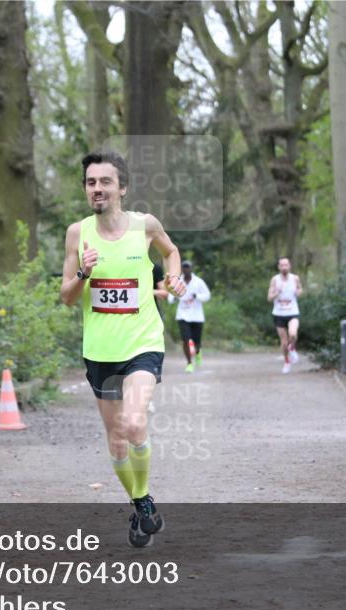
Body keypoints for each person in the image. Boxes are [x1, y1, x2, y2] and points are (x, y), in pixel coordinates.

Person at [60, 150, 187, 548]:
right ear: (86, 190)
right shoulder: (77, 234)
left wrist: (174, 278)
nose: (97, 189)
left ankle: (143, 496)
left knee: (134, 423)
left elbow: (170, 252)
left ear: (123, 188)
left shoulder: (145, 226)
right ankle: (141, 503)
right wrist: (84, 273)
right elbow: (66, 296)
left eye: (105, 182)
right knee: (116, 439)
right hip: (99, 350)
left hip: (143, 343)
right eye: (91, 183)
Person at [167, 260, 211, 372]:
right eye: (184, 267)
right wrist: (175, 297)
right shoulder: (177, 282)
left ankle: (197, 352)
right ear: (182, 269)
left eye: (188, 267)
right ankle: (189, 363)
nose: (186, 269)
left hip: (197, 316)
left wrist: (197, 296)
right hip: (183, 315)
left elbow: (207, 295)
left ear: (192, 268)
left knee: (197, 342)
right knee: (185, 340)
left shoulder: (198, 282)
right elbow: (170, 298)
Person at [267, 257, 303, 374]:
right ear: (278, 267)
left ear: (289, 266)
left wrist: (298, 292)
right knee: (283, 341)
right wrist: (277, 292)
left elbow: (299, 289)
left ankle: (292, 348)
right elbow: (269, 298)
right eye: (282, 265)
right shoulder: (275, 280)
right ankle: (287, 361)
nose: (284, 267)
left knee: (293, 333)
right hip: (279, 313)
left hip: (292, 312)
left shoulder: (295, 278)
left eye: (286, 265)